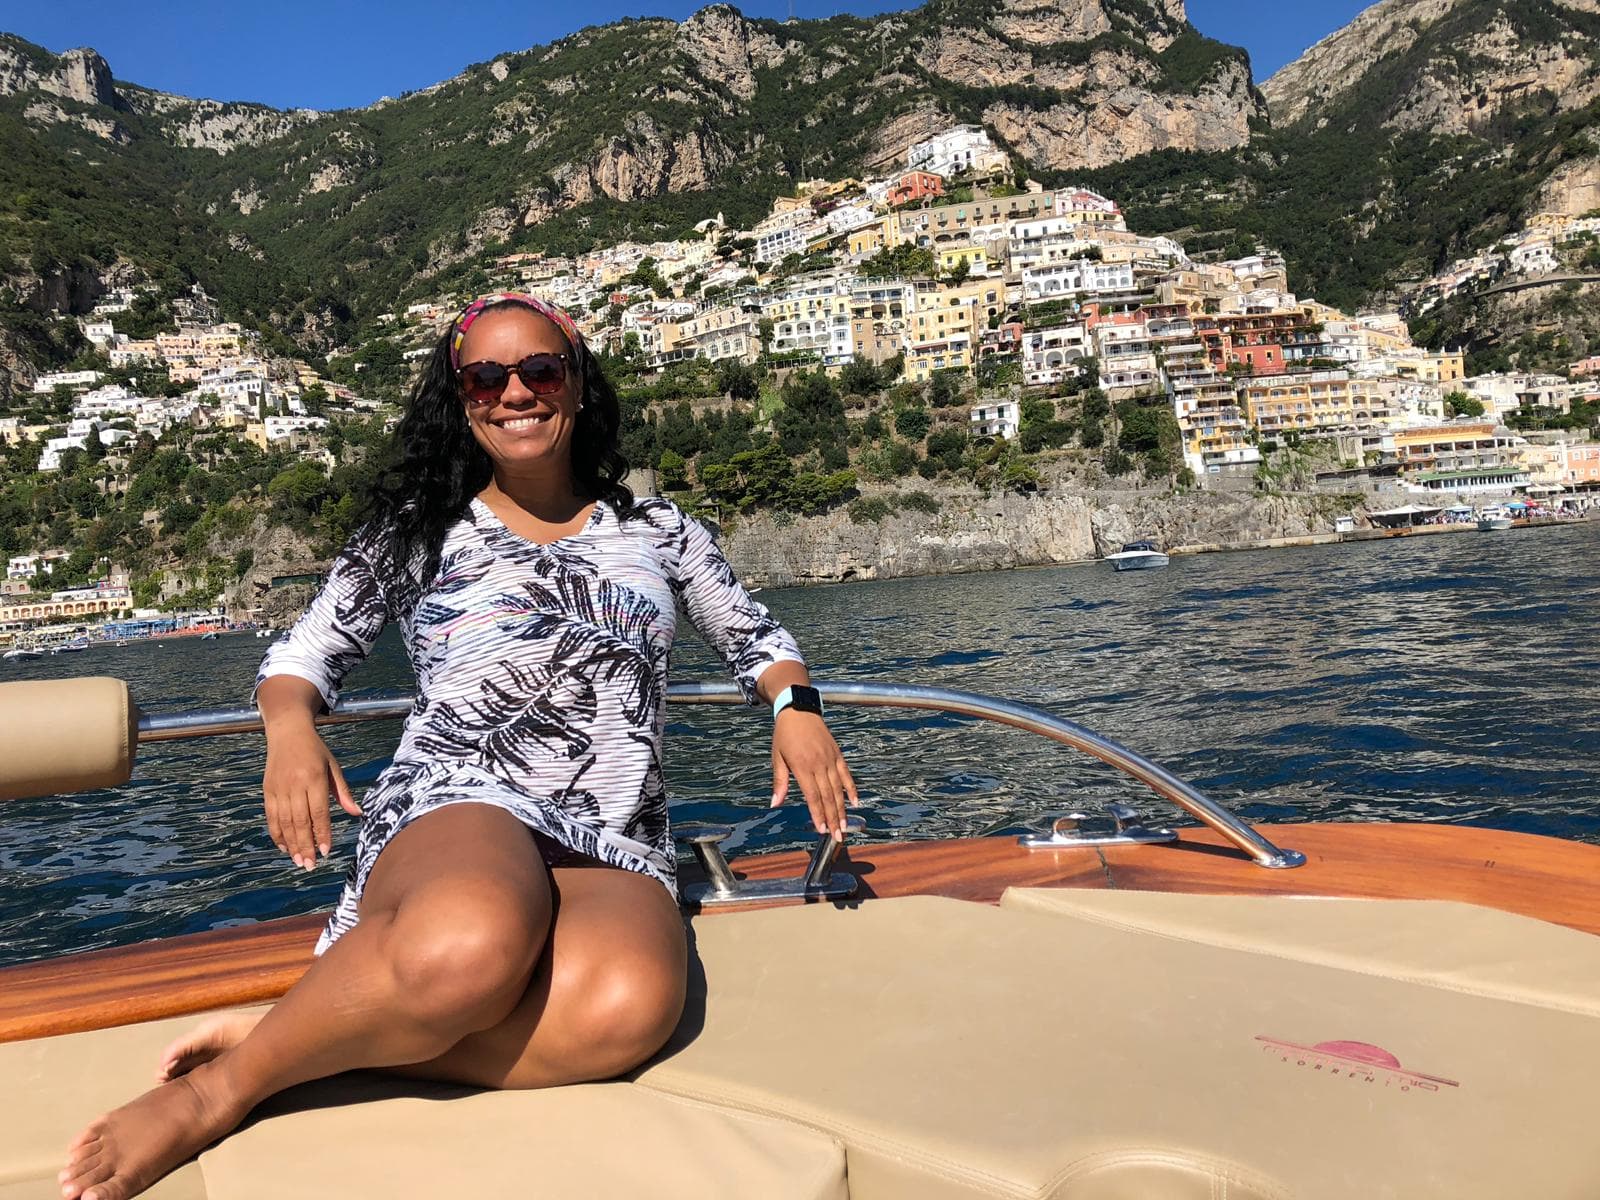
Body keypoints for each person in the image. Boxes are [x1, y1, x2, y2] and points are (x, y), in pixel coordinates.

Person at [59, 293, 860, 1200]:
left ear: (578, 384)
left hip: (613, 820)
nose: (514, 391)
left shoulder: (657, 530)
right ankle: (219, 1092)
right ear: (462, 398)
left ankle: (299, 1035)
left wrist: (796, 705)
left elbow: (754, 634)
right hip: (464, 792)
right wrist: (288, 729)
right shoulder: (418, 529)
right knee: (471, 945)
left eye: (539, 370)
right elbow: (304, 656)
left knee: (624, 1012)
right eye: (486, 376)